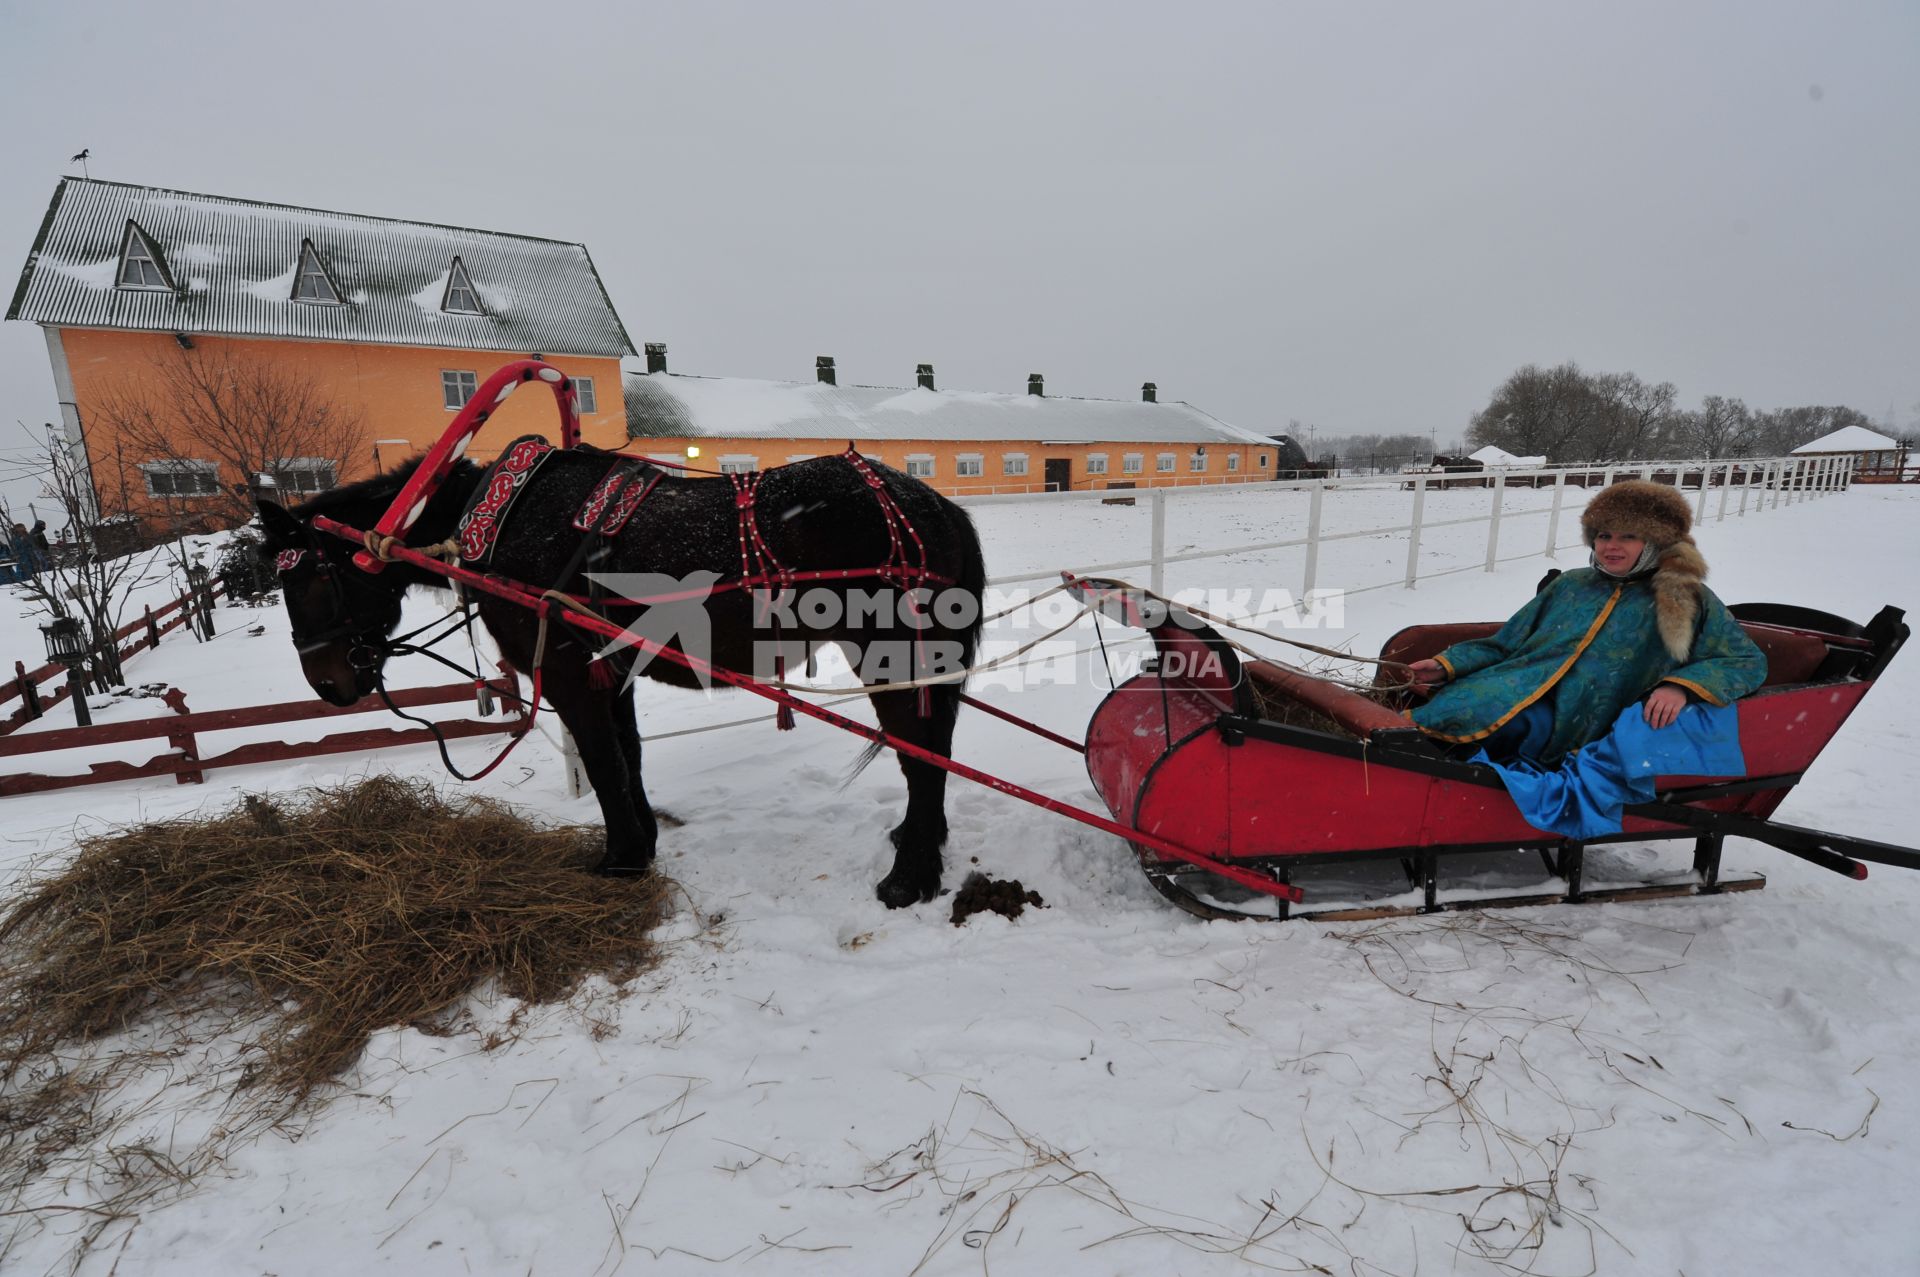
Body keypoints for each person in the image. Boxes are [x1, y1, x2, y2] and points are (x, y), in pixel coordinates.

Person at [1404, 480, 1767, 767]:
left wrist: (1682, 686)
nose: (1611, 546)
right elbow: (1506, 643)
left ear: (1657, 542)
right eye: (1604, 535)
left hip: (1580, 717)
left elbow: (1745, 661)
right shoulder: (1572, 584)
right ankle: (1401, 760)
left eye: (1628, 536)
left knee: (1504, 724)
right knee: (1457, 707)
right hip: (1512, 685)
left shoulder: (1686, 597)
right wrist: (1447, 665)